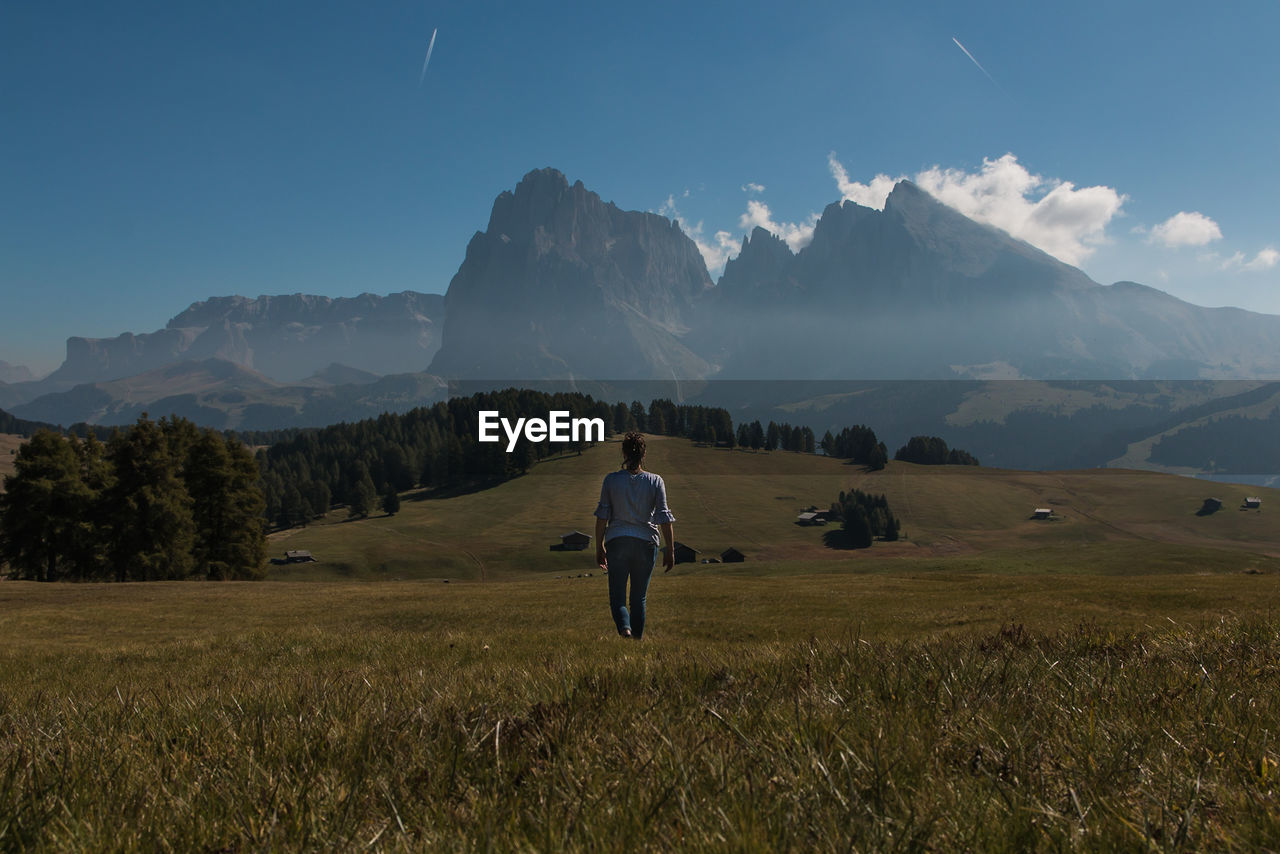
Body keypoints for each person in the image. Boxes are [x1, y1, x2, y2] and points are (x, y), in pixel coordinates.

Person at [594, 432, 675, 639]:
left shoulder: (611, 480)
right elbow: (664, 517)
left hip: (617, 541)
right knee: (639, 598)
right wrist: (670, 551)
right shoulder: (656, 481)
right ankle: (636, 641)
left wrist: (599, 546)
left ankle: (625, 629)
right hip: (646, 543)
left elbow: (602, 516)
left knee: (618, 598)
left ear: (623, 452)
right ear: (644, 454)